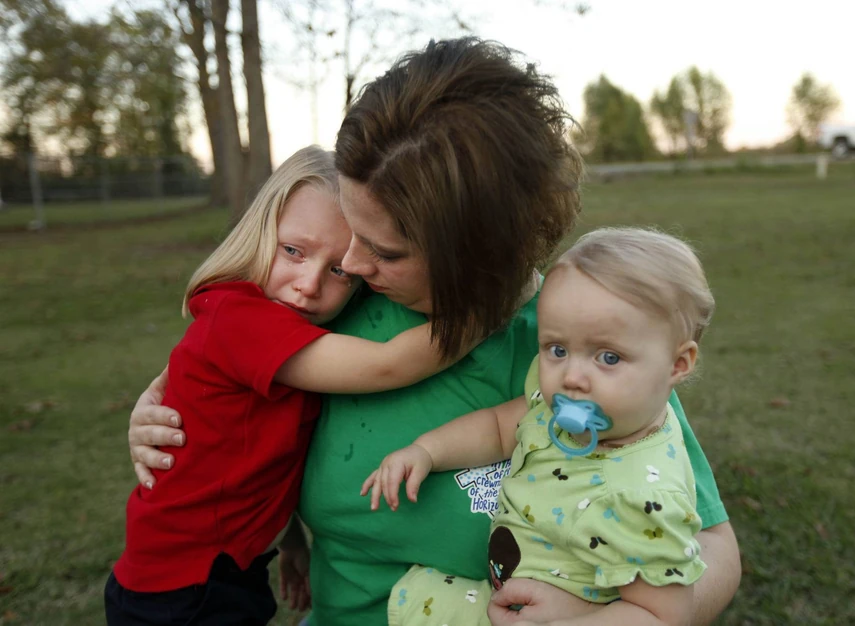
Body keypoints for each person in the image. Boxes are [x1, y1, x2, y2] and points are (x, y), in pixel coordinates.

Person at [126, 38, 741, 626]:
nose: (355, 265)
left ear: (474, 254)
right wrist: (156, 407)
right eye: (351, 232)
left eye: (386, 252)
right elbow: (224, 358)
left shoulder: (571, 352)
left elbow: (714, 547)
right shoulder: (337, 300)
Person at [106, 146, 471, 626]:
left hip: (230, 568)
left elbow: (260, 459)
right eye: (293, 251)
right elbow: (386, 365)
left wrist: (291, 539)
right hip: (181, 590)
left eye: (338, 270)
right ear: (260, 231)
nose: (308, 285)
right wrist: (481, 309)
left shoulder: (289, 329)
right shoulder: (239, 318)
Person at [364, 227, 714, 626]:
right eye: (558, 349)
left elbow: (662, 616)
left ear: (677, 364)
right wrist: (426, 451)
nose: (573, 376)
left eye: (609, 358)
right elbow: (499, 428)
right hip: (503, 594)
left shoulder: (643, 498)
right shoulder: (565, 406)